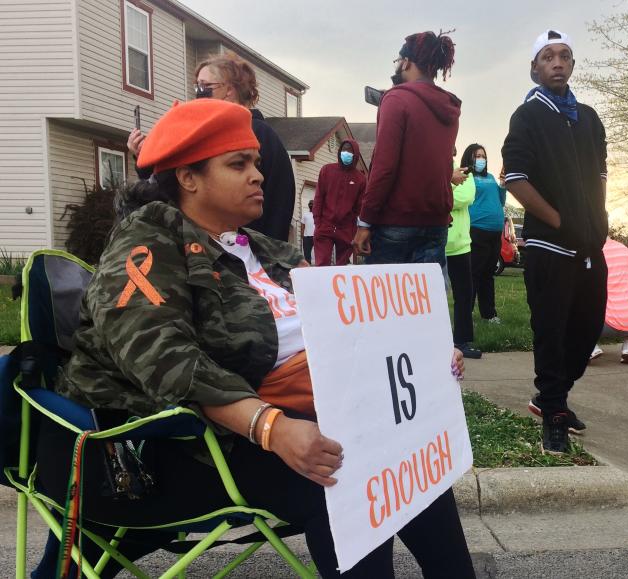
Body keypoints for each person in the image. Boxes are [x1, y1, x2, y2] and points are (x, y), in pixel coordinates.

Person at [36, 99, 475, 579]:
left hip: (304, 411)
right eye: (238, 164)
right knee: (348, 474)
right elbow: (163, 359)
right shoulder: (146, 244)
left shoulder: (264, 249)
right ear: (188, 177)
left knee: (409, 456)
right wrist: (273, 428)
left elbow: (352, 321)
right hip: (174, 447)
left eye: (257, 164)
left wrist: (419, 350)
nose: (258, 176)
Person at [502, 30, 609, 455]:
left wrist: (596, 220)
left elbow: (601, 174)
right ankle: (554, 415)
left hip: (589, 244)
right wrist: (559, 220)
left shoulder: (588, 117)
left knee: (586, 329)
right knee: (551, 330)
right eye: (548, 57)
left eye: (564, 56)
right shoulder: (528, 116)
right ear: (535, 67)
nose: (558, 62)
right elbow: (515, 179)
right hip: (550, 245)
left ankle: (551, 398)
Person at [127, 51, 296, 242]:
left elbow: (278, 205)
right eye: (197, 87)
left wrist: (263, 255)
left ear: (229, 90)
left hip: (243, 255)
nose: (199, 94)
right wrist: (146, 159)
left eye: (206, 87)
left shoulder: (260, 135)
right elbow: (168, 190)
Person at [352, 31, 460, 266]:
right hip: (436, 223)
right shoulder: (449, 107)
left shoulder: (396, 99)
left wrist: (365, 221)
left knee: (384, 301)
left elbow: (384, 168)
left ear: (407, 61)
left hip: (397, 222)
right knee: (427, 302)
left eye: (398, 61)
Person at [461, 144, 506, 324]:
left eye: (483, 156)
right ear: (470, 159)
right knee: (474, 273)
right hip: (477, 230)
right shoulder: (466, 177)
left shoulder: (491, 178)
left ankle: (489, 314)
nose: (481, 159)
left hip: (495, 232)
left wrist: (503, 186)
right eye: (477, 156)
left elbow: (501, 201)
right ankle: (467, 311)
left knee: (488, 274)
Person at [446, 147, 481, 359]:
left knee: (464, 296)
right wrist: (448, 184)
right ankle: (433, 340)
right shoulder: (430, 171)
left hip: (460, 246)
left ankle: (462, 341)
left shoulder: (465, 173)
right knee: (433, 298)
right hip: (436, 245)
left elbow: (464, 198)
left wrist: (440, 190)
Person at [591, 238, 628, 364]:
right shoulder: (624, 249)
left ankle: (591, 347)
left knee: (575, 312)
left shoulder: (593, 249)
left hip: (604, 324)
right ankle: (627, 349)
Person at [313, 139, 366, 266]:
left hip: (346, 229)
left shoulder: (360, 179)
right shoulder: (327, 170)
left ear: (355, 154)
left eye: (349, 150)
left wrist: (353, 228)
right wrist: (318, 222)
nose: (346, 153)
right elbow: (319, 197)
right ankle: (321, 285)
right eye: (343, 150)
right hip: (325, 226)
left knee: (341, 267)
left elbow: (359, 207)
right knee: (322, 264)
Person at [302, 200, 315, 264]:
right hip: (307, 237)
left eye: (312, 204)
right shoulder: (305, 214)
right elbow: (302, 225)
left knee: (319, 253)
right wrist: (303, 235)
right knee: (307, 254)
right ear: (308, 205)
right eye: (310, 204)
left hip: (316, 236)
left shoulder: (317, 214)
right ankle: (308, 267)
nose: (311, 205)